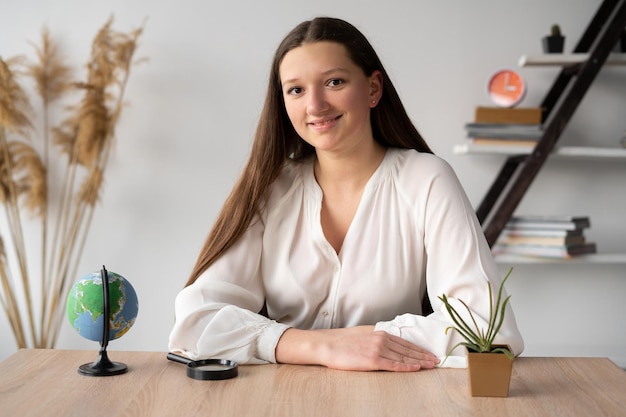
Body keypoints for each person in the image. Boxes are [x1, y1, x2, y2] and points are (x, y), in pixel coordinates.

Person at [168, 17, 524, 372]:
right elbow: (194, 324)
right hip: (279, 402)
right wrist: (321, 346)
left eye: (334, 82)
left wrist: (372, 343)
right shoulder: (270, 189)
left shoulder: (428, 179)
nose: (315, 105)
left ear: (373, 89)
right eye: (296, 90)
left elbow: (488, 328)